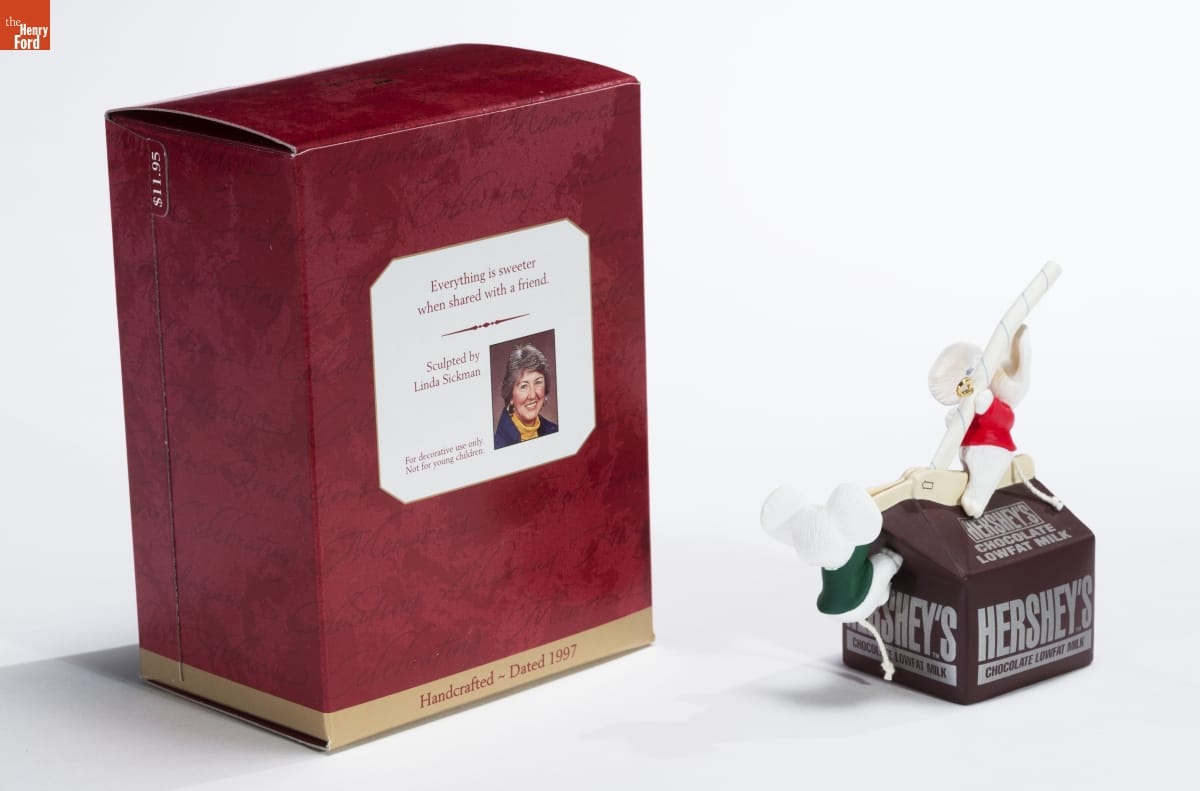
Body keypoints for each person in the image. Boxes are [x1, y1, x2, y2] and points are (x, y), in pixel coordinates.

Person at [494, 344, 558, 449]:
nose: (532, 395)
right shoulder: (498, 444)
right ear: (510, 396)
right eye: (523, 386)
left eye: (538, 382)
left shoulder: (555, 430)